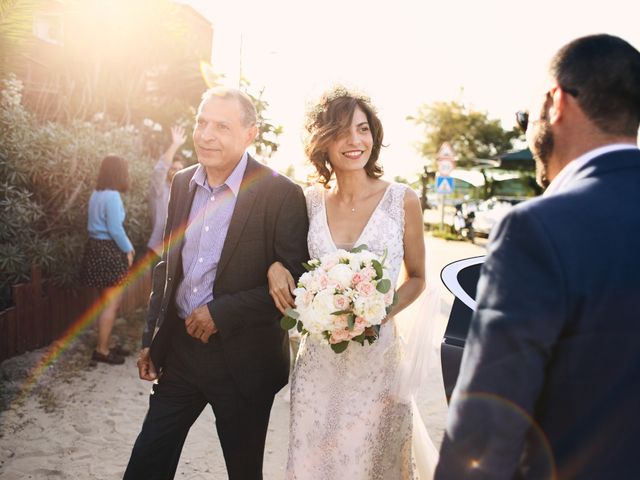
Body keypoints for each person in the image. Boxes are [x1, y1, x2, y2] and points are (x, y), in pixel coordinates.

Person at [435, 34, 640, 479]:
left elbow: (487, 432)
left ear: (556, 102)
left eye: (525, 116)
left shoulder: (537, 229)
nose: (526, 130)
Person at [123, 87, 309, 480]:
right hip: (182, 357)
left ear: (250, 134)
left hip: (244, 365)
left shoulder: (282, 194)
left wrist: (221, 312)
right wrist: (150, 339)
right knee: (146, 463)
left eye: (222, 126)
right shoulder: (183, 182)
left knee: (243, 473)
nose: (206, 135)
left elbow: (296, 284)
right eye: (201, 122)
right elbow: (168, 269)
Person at [267, 86, 438, 479]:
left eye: (363, 129)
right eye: (342, 132)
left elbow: (418, 278)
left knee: (369, 465)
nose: (355, 141)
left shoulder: (402, 200)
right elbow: (286, 256)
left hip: (377, 362)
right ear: (323, 142)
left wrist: (373, 314)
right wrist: (273, 267)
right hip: (318, 363)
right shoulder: (308, 202)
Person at [80, 155, 135, 365]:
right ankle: (102, 350)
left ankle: (105, 343)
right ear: (119, 172)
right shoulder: (112, 196)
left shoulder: (96, 193)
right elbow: (115, 228)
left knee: (106, 302)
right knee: (112, 304)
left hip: (95, 249)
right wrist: (129, 249)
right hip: (109, 252)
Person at [147, 125, 186, 264]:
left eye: (180, 169)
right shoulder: (159, 189)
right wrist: (175, 145)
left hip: (178, 251)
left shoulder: (183, 192)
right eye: (173, 168)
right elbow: (160, 169)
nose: (176, 171)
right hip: (158, 250)